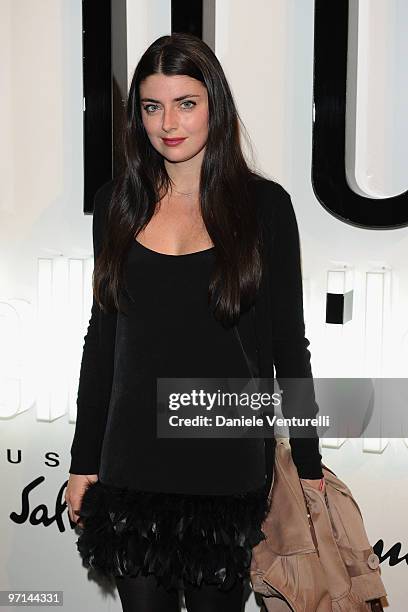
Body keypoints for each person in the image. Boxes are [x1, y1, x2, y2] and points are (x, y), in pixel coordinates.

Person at [65, 32, 325, 612]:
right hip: (130, 465)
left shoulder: (266, 208)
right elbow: (102, 343)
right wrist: (83, 461)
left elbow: (290, 345)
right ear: (138, 116)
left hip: (225, 466)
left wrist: (308, 462)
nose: (168, 123)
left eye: (186, 103)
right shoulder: (117, 203)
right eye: (152, 106)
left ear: (215, 107)